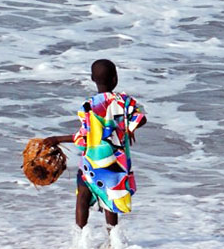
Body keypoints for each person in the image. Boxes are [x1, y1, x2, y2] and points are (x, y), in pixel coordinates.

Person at [44, 59, 147, 232]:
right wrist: (129, 128)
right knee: (110, 199)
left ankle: (80, 238)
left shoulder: (88, 106)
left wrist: (57, 139)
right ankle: (113, 240)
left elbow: (83, 137)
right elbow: (141, 118)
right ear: (115, 79)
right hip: (114, 163)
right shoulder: (123, 101)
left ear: (92, 79)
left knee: (82, 198)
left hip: (91, 162)